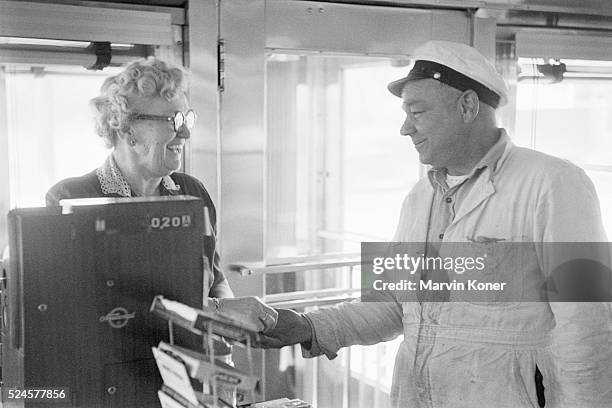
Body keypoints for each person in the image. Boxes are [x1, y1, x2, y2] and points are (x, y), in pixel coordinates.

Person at [257, 41, 612, 407]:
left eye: (418, 112)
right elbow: (394, 303)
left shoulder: (554, 184)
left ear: (468, 106)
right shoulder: (419, 198)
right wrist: (308, 326)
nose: (405, 128)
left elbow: (587, 324)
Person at [46, 57, 277, 331]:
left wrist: (229, 323)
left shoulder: (193, 192)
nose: (186, 133)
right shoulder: (71, 197)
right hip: (117, 365)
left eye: (186, 118)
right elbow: (85, 305)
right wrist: (216, 310)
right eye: (173, 120)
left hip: (193, 360)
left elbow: (215, 281)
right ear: (127, 128)